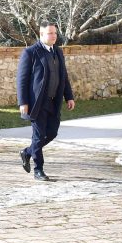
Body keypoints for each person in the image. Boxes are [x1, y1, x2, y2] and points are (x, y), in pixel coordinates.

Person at [17, 20, 76, 181]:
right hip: (37, 103)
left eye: (55, 33)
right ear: (41, 34)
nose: (54, 36)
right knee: (38, 136)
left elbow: (63, 76)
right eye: (50, 33)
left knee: (52, 133)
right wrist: (23, 102)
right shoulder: (30, 52)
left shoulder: (58, 51)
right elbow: (22, 79)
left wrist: (69, 96)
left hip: (53, 101)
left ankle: (27, 152)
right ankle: (38, 170)